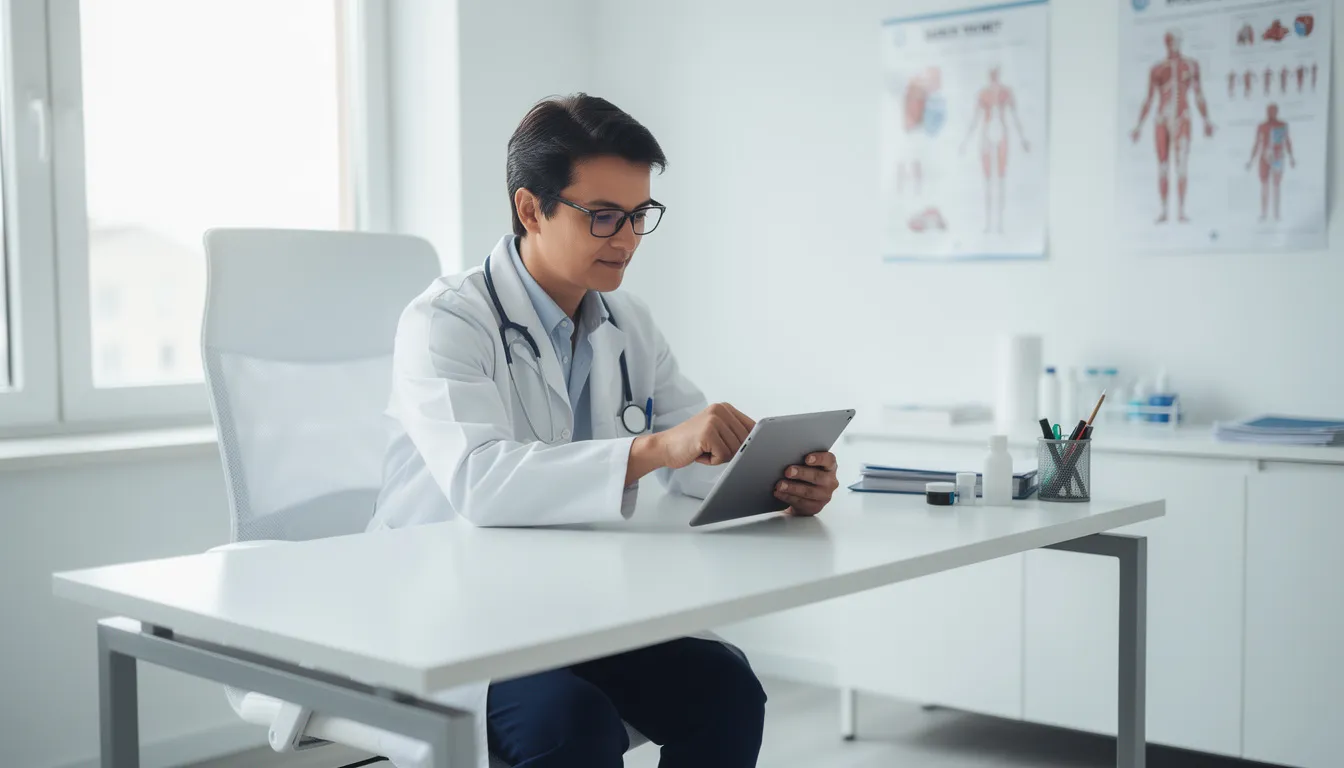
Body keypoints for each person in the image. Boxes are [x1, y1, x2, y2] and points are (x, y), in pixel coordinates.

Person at [371, 93, 841, 768]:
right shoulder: (446, 321)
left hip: (573, 605)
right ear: (530, 208)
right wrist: (654, 447)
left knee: (726, 691)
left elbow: (693, 459)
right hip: (452, 613)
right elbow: (482, 482)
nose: (625, 238)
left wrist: (779, 479)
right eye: (602, 216)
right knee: (572, 724)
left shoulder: (628, 323)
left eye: (638, 214)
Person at [1131, 30, 1214, 224]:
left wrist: (1206, 120)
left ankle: (1182, 211)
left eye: (1175, 40)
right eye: (1169, 40)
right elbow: (1149, 99)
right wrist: (1138, 127)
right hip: (1161, 119)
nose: (1172, 43)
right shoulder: (1157, 69)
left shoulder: (1191, 65)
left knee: (1182, 166)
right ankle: (1164, 211)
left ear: (1180, 42)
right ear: (1165, 42)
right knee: (1162, 167)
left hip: (1182, 117)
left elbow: (1199, 95)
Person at [959, 65, 1029, 234]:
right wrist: (965, 141)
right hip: (988, 131)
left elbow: (1015, 116)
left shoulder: (1006, 92)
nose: (993, 76)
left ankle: (1000, 224)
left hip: (1000, 131)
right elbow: (975, 119)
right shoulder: (983, 94)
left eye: (994, 73)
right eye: (991, 73)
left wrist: (1022, 139)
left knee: (1001, 177)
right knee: (988, 179)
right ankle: (989, 224)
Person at [1246, 103, 1295, 222]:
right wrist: (1251, 160)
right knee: (1264, 185)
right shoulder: (1262, 126)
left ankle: (1276, 214)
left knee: (1276, 185)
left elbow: (1287, 140)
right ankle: (1264, 214)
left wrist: (1291, 157)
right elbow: (1257, 143)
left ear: (1276, 112)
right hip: (1264, 156)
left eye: (1272, 111)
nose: (1270, 113)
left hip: (1278, 156)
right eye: (1268, 110)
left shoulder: (1282, 125)